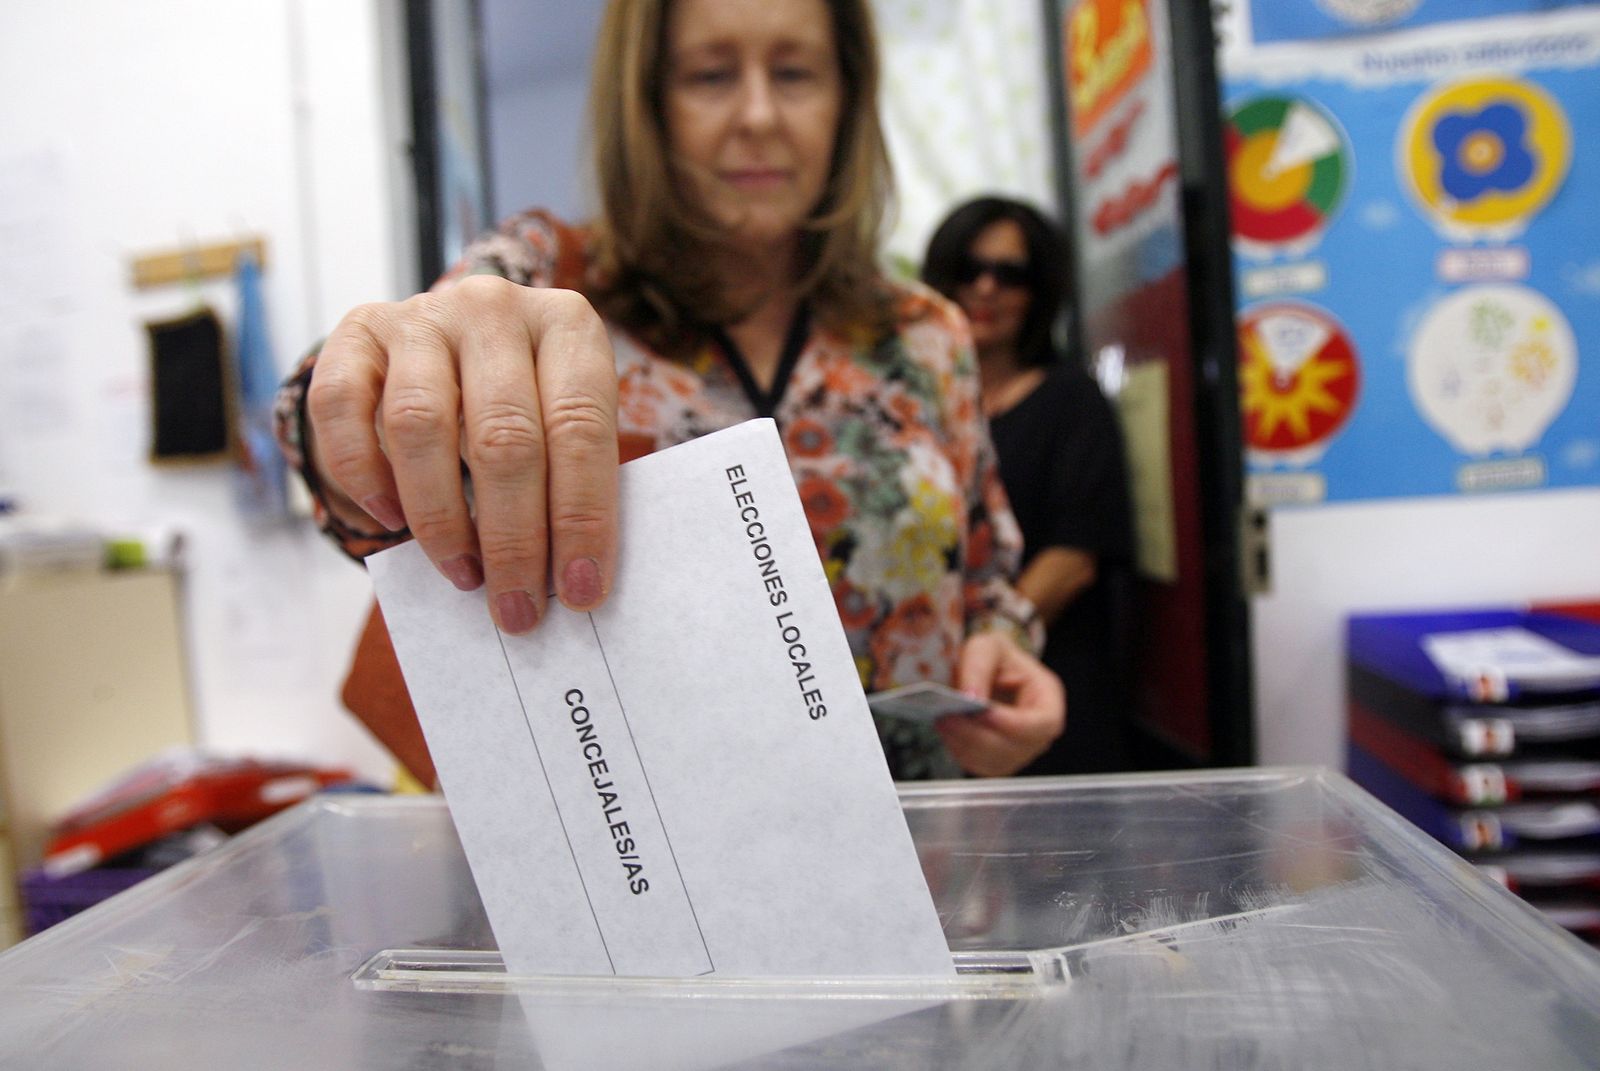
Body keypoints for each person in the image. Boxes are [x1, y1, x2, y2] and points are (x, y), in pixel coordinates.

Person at [275, 0, 1063, 781]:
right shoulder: (553, 281)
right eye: (710, 75)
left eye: (795, 73)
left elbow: (984, 570)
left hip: (930, 851)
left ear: (848, 98)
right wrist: (371, 398)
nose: (758, 113)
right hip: (662, 857)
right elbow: (358, 403)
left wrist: (1002, 650)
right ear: (646, 101)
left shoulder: (929, 336)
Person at [921, 196, 1135, 774]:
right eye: (968, 269)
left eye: (1011, 274)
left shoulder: (1071, 400)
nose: (986, 288)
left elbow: (1076, 556)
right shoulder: (906, 408)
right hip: (926, 695)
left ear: (1041, 291)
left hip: (1040, 685)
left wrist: (996, 642)